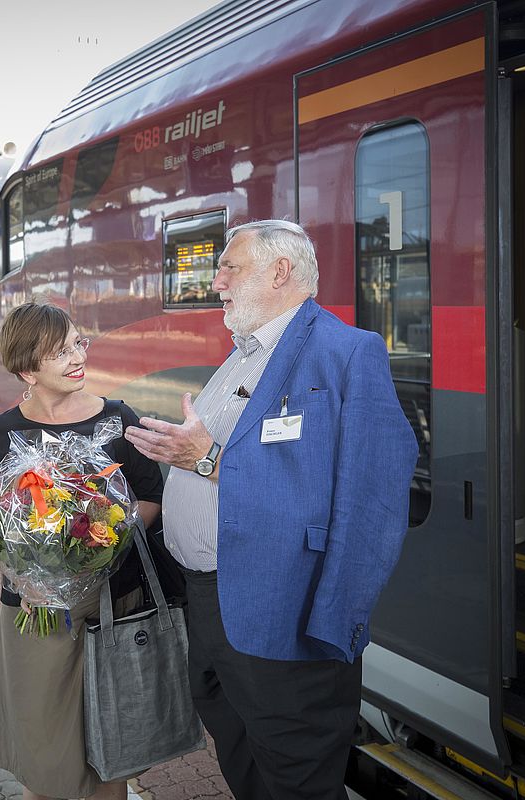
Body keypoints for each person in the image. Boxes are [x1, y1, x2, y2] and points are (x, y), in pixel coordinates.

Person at [125, 219, 418, 800]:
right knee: (245, 756)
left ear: (280, 271)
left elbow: (375, 502)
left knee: (299, 775)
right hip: (211, 602)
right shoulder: (242, 356)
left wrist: (338, 620)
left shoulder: (346, 354)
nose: (217, 281)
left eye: (230, 267)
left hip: (287, 612)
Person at [0, 302, 164, 800]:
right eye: (60, 352)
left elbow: (149, 499)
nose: (77, 357)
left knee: (109, 753)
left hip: (113, 608)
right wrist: (30, 578)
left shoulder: (118, 422)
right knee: (46, 755)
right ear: (27, 370)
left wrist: (97, 539)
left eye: (78, 343)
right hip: (37, 613)